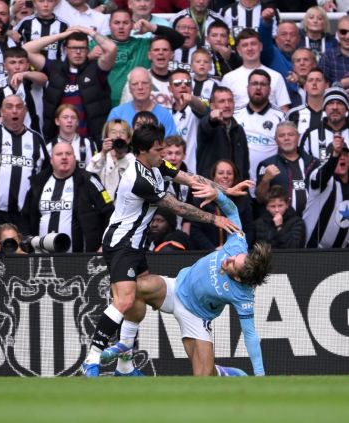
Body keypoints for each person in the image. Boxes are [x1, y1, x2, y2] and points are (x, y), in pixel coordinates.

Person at [82, 120, 244, 377]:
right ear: (144, 151)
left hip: (136, 245)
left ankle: (124, 366)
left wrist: (224, 190)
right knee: (124, 299)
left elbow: (189, 178)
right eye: (159, 150)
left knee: (139, 297)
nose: (164, 154)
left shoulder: (156, 165)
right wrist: (215, 219)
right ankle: (91, 358)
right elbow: (178, 207)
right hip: (121, 244)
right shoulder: (138, 178)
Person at [129, 188, 271, 376]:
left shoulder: (242, 295)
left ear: (237, 277)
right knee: (135, 288)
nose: (228, 258)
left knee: (204, 379)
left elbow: (250, 335)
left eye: (232, 264)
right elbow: (232, 212)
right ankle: (125, 366)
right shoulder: (237, 244)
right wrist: (218, 196)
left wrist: (260, 375)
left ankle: (222, 373)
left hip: (196, 317)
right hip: (175, 288)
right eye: (235, 256)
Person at [0, 94, 49, 246]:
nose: (14, 111)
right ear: (2, 112)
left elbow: (45, 174)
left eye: (19, 107)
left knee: (22, 259)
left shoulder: (37, 139)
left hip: (23, 215)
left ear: (25, 111)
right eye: (9, 107)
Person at [23, 26, 117, 141]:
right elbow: (26, 50)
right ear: (65, 49)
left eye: (82, 48)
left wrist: (89, 31)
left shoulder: (97, 69)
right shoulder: (54, 69)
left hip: (90, 142)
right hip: (59, 142)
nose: (78, 52)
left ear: (87, 50)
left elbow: (112, 48)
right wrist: (61, 35)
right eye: (73, 48)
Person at [23, 142, 114, 252]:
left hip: (81, 258)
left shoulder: (89, 180)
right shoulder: (38, 183)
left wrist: (105, 244)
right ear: (51, 160)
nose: (64, 157)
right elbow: (26, 218)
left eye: (68, 154)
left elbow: (110, 212)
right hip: (43, 257)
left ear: (74, 158)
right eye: (59, 154)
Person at [88, 10, 184, 107]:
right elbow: (75, 69)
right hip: (102, 104)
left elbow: (179, 40)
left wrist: (152, 27)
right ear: (109, 25)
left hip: (134, 106)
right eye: (117, 23)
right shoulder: (96, 44)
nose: (121, 26)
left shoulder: (143, 44)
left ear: (132, 25)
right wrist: (89, 57)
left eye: (125, 23)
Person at [233, 69, 285, 190]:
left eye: (263, 84)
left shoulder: (280, 117)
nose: (258, 87)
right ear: (247, 88)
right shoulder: (235, 115)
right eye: (254, 84)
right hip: (239, 183)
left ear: (270, 89)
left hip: (270, 185)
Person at [256, 121, 319, 218]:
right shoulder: (266, 165)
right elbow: (260, 199)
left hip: (313, 221)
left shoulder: (313, 163)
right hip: (282, 225)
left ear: (298, 137)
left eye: (291, 134)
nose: (286, 138)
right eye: (282, 135)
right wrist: (265, 180)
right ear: (276, 139)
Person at [220, 29, 291, 112]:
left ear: (260, 46)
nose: (250, 48)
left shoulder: (276, 76)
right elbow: (222, 108)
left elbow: (284, 109)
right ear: (238, 50)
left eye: (253, 44)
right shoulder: (228, 79)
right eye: (245, 45)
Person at [191, 159, 255, 250]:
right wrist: (213, 249)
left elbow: (249, 229)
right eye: (221, 173)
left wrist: (239, 247)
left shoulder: (243, 199)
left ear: (234, 177)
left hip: (236, 253)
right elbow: (195, 231)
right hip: (207, 253)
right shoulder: (200, 198)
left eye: (229, 173)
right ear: (213, 177)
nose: (225, 176)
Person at [303, 137, 349, 248]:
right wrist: (334, 156)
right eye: (338, 154)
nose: (341, 157)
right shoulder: (322, 178)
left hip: (341, 255)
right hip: (313, 251)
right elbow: (322, 175)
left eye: (345, 154)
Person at [197, 87, 250, 181]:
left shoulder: (239, 130)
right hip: (209, 188)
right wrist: (212, 120)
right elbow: (207, 125)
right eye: (222, 101)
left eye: (230, 101)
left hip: (235, 189)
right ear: (213, 106)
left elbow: (244, 165)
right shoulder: (207, 124)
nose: (227, 105)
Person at [108, 67, 177, 135]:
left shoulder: (164, 115)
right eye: (135, 84)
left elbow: (171, 143)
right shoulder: (117, 114)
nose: (140, 87)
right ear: (129, 88)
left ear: (151, 86)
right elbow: (109, 142)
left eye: (144, 83)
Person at [169, 68, 208, 174]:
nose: (183, 86)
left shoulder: (195, 109)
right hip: (169, 175)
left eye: (187, 83)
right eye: (177, 83)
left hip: (194, 175)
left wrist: (191, 99)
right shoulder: (166, 115)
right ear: (170, 88)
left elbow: (203, 110)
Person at [300, 87, 349, 164]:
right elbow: (304, 165)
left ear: (347, 108)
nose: (335, 107)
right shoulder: (310, 134)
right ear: (324, 108)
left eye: (339, 103)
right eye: (330, 103)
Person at [85, 118, 134, 195]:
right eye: (113, 132)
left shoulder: (132, 160)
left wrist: (121, 157)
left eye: (122, 132)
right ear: (106, 137)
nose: (118, 136)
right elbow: (88, 176)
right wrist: (103, 153)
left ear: (128, 139)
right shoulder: (102, 157)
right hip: (103, 204)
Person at [47, 104, 98, 170]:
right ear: (57, 121)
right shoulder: (49, 146)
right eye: (65, 117)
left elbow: (94, 170)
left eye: (73, 117)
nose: (69, 121)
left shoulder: (88, 144)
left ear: (77, 122)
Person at [287, 67, 328, 137]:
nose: (314, 83)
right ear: (305, 86)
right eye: (310, 80)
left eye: (318, 80)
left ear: (326, 86)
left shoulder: (334, 113)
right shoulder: (293, 114)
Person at [319, 15, 349, 87]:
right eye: (343, 32)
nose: (347, 37)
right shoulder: (328, 57)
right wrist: (341, 84)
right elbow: (320, 88)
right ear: (337, 33)